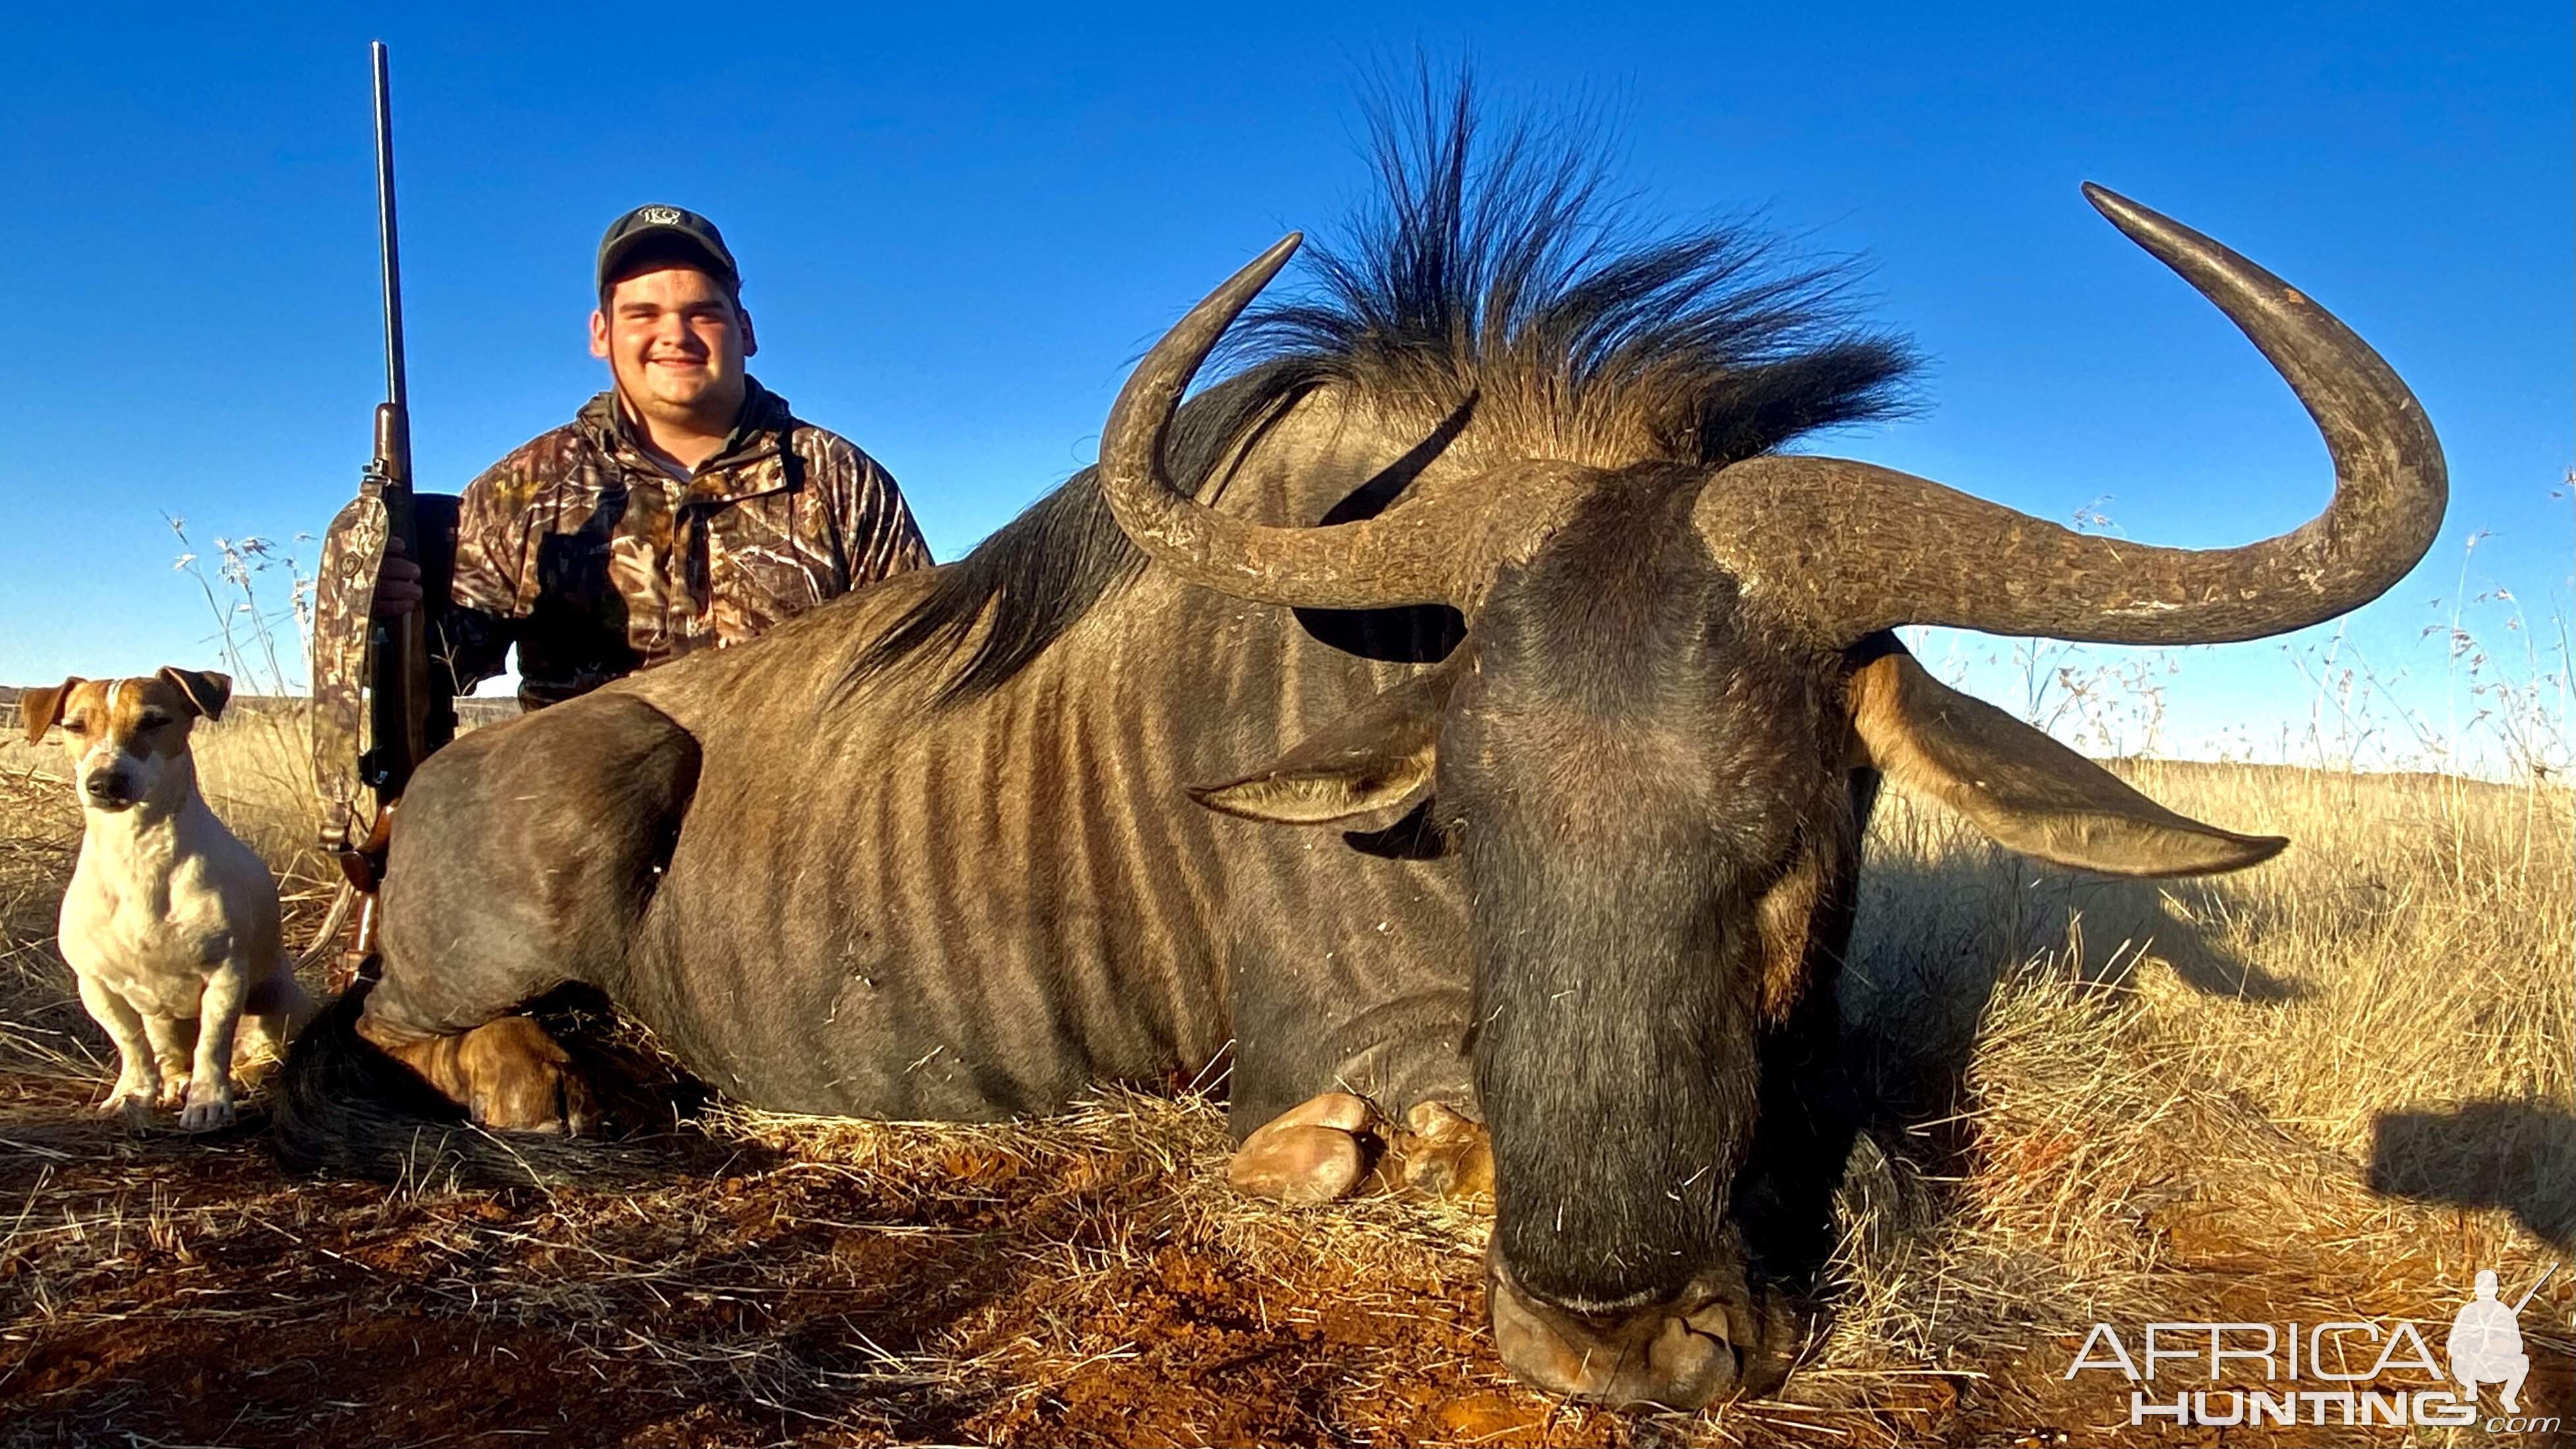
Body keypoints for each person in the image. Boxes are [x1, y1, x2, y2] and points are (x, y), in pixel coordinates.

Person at [376, 204, 930, 708]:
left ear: (745, 330)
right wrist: (379, 612)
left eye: (702, 312)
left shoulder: (840, 479)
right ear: (601, 333)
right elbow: (436, 675)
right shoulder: (526, 487)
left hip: (792, 806)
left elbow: (919, 672)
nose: (675, 334)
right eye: (643, 314)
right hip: (581, 809)